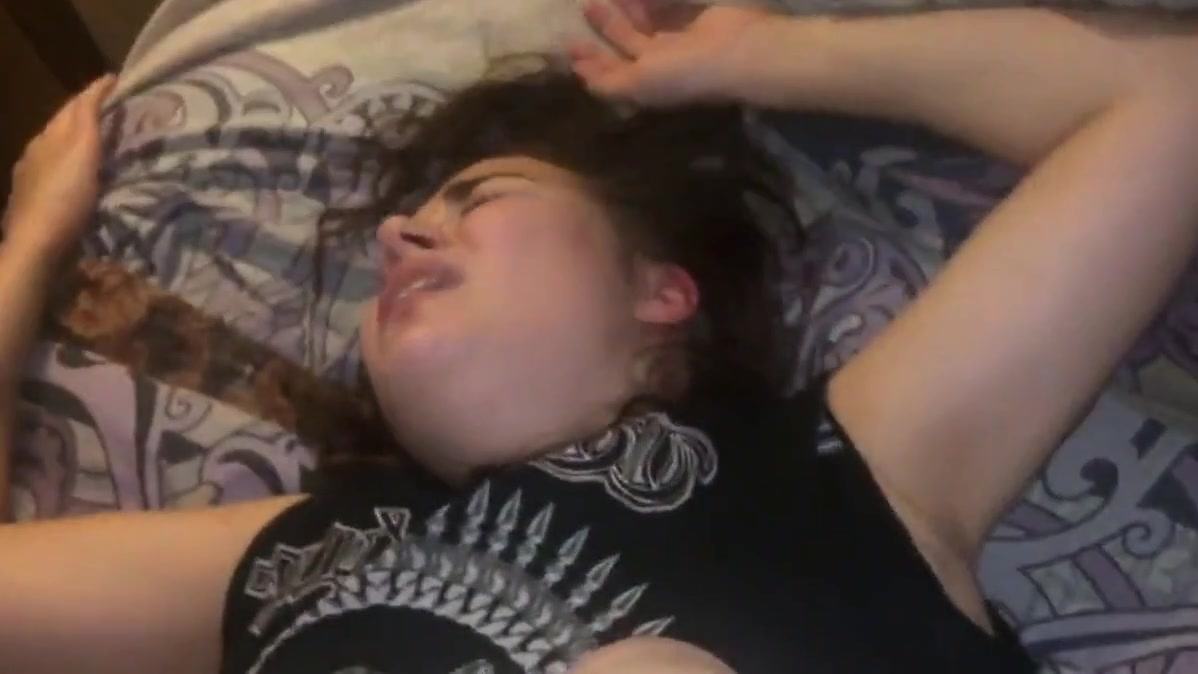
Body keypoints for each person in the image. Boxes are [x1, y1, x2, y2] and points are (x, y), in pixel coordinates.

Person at [2, 1, 1196, 673]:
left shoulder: (835, 466)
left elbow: (1164, 106)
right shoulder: (302, 543)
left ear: (661, 293)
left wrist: (775, 57)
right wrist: (27, 255)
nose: (401, 239)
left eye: (479, 198)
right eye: (410, 223)